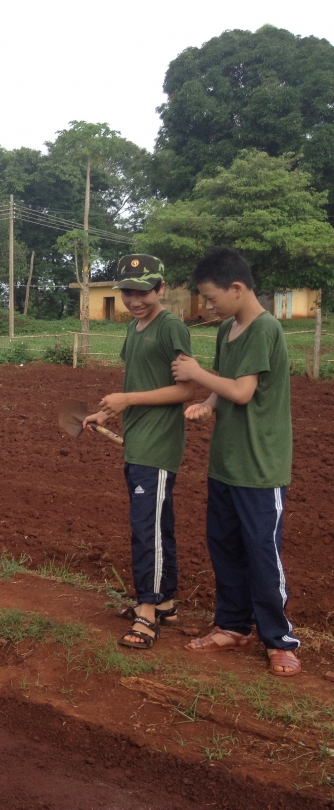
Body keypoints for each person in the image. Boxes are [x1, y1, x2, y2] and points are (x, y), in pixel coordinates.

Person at [171, 247, 301, 677]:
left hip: (260, 467)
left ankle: (278, 639)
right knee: (224, 547)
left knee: (262, 552)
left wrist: (193, 373)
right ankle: (232, 625)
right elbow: (226, 386)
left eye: (211, 298)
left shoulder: (264, 329)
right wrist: (208, 402)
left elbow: (243, 392)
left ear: (237, 288)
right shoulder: (229, 328)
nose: (207, 306)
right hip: (225, 462)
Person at [81, 255, 195, 650]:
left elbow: (186, 390)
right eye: (127, 292)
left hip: (158, 446)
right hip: (137, 443)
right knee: (154, 526)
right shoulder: (133, 329)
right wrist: (106, 412)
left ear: (160, 289)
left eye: (142, 292)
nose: (134, 300)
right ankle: (164, 603)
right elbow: (140, 382)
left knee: (148, 530)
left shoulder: (171, 328)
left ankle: (147, 611)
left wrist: (127, 399)